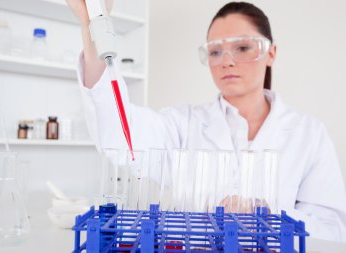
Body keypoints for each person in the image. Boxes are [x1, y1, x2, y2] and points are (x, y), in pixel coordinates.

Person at [66, 0, 346, 242]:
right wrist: (93, 24)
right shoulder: (183, 124)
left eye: (243, 48)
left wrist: (270, 217)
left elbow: (332, 230)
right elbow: (121, 134)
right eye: (215, 51)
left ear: (270, 53)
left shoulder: (309, 134)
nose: (227, 61)